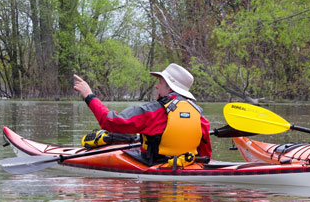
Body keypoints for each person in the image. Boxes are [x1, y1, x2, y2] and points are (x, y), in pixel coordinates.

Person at [73, 63, 212, 164]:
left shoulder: (154, 111)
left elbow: (110, 121)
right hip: (187, 165)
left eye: (160, 82)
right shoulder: (199, 115)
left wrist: (89, 96)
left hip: (153, 166)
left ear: (169, 87)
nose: (156, 86)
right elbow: (206, 154)